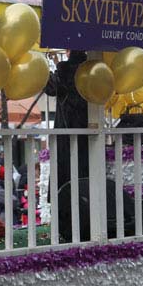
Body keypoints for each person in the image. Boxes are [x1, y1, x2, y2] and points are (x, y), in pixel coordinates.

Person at [43, 50, 89, 190]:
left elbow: (51, 88)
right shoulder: (92, 69)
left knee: (65, 167)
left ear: (69, 52)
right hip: (87, 126)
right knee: (85, 165)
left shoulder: (65, 71)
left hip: (66, 126)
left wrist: (46, 69)